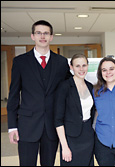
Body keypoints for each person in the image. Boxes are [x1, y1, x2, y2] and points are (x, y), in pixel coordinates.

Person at [7, 20, 71, 166]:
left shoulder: (61, 63)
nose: (42, 36)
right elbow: (14, 95)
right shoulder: (20, 62)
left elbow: (69, 88)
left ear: (51, 37)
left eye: (46, 33)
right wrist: (12, 126)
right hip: (27, 125)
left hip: (51, 126)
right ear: (32, 36)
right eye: (39, 33)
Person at [54, 54, 95, 166]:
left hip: (88, 136)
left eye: (84, 65)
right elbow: (58, 119)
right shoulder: (64, 87)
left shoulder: (90, 86)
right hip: (71, 139)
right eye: (77, 66)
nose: (81, 69)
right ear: (71, 67)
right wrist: (64, 147)